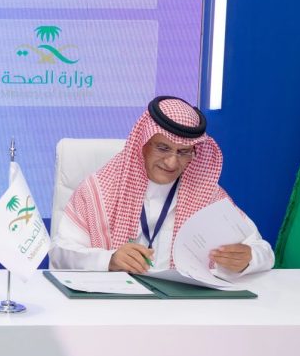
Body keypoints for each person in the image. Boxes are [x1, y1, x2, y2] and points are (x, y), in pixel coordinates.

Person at [51, 95, 273, 277]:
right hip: (114, 306)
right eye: (163, 148)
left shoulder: (208, 195)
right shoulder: (98, 190)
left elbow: (264, 251)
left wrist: (248, 258)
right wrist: (110, 259)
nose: (172, 163)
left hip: (183, 308)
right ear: (143, 144)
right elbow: (61, 253)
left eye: (183, 152)